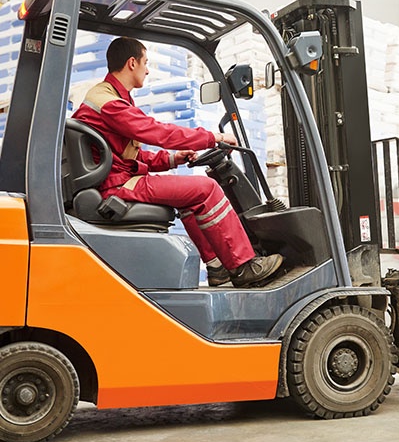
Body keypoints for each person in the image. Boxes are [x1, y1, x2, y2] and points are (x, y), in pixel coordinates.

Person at [72, 37, 283, 288]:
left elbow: (126, 156)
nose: (147, 69)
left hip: (117, 178)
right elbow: (157, 132)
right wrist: (210, 137)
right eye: (145, 63)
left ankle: (217, 268)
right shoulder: (110, 103)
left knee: (191, 198)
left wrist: (173, 159)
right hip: (116, 186)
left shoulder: (112, 97)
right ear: (132, 63)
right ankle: (243, 266)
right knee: (207, 189)